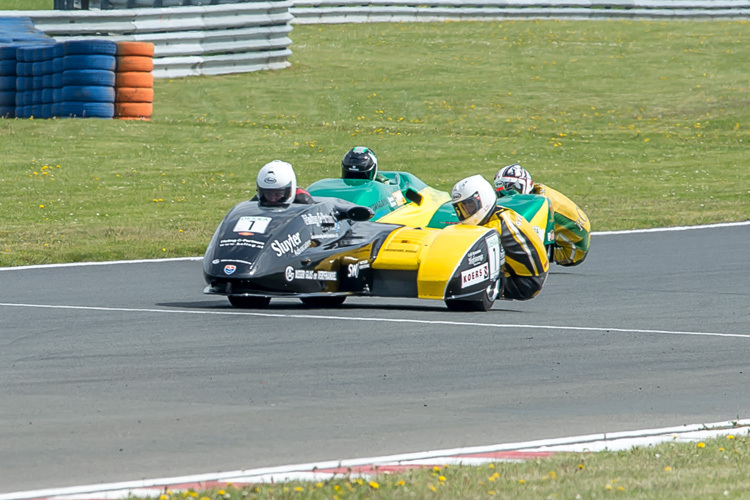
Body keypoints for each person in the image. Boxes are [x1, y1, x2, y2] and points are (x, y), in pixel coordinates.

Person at [452, 175, 549, 301]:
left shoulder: (500, 223)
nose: (466, 212)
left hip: (525, 282)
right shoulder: (498, 216)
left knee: (458, 283)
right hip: (525, 276)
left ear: (482, 199)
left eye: (469, 206)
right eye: (461, 209)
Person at [494, 163, 591, 266]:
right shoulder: (536, 192)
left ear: (523, 184)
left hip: (574, 249)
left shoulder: (541, 203)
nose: (506, 196)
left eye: (512, 189)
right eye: (501, 192)